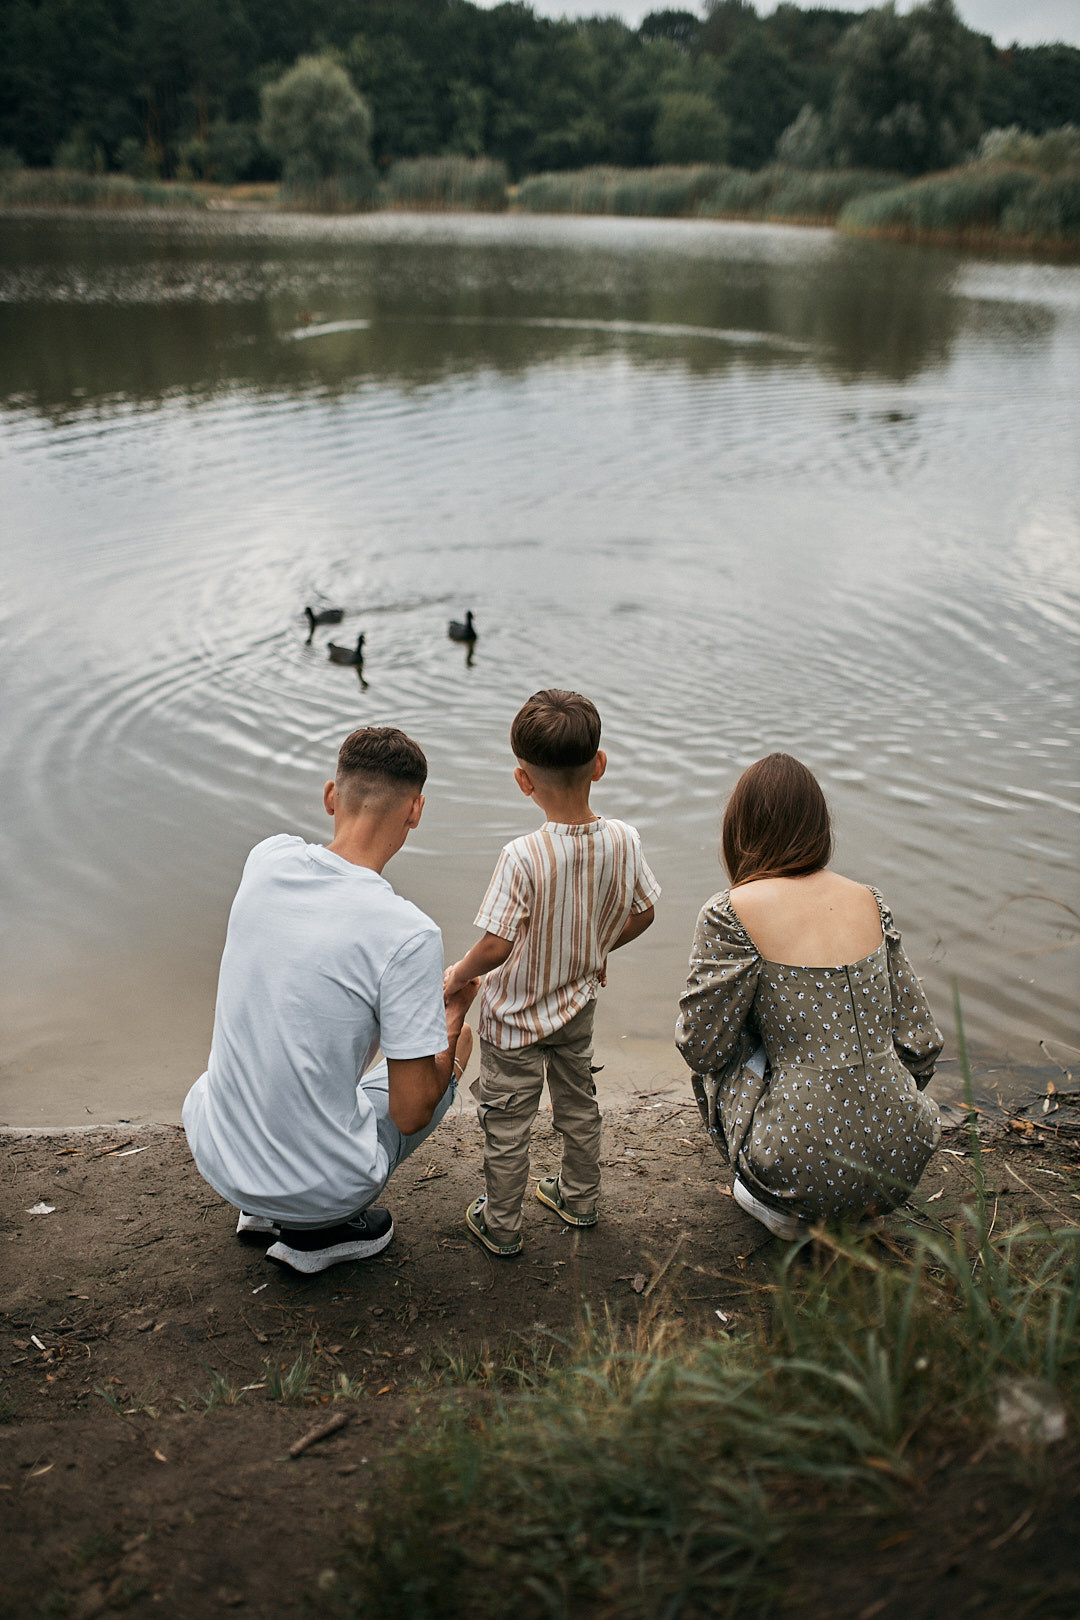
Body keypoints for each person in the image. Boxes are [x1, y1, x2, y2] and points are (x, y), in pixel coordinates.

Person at [183, 726, 478, 1275]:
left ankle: (258, 1210)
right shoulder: (408, 933)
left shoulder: (265, 860)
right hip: (320, 1192)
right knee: (442, 1065)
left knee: (301, 1033)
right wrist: (452, 1018)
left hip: (219, 1152)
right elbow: (411, 1112)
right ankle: (321, 1235)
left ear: (329, 797)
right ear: (415, 812)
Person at [675, 753, 942, 1240]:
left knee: (726, 1040)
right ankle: (859, 1201)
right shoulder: (869, 899)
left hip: (794, 1168)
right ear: (819, 826)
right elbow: (920, 1042)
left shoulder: (728, 913)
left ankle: (785, 1206)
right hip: (900, 1161)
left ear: (739, 830)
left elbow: (701, 1047)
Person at [442, 689, 661, 1257]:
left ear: (523, 780)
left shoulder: (522, 855)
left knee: (508, 1121)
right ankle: (580, 1198)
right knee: (578, 1103)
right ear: (600, 764)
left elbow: (495, 945)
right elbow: (644, 912)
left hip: (513, 1020)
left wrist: (457, 976)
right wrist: (598, 948)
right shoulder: (624, 840)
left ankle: (503, 1225)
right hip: (578, 1006)